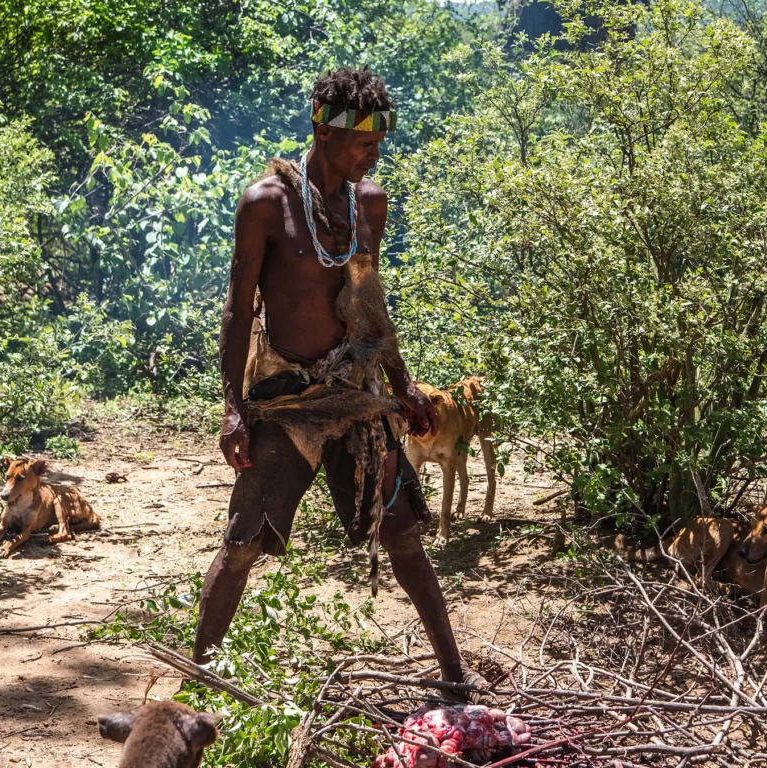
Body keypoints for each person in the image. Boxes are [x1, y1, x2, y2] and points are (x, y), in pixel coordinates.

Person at [193, 66, 479, 692]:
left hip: (354, 389)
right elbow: (238, 310)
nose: (373, 156)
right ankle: (195, 691)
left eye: (378, 144)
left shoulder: (368, 202)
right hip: (285, 395)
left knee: (402, 531)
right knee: (242, 543)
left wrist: (401, 386)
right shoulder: (265, 204)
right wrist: (234, 408)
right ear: (323, 131)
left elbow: (370, 306)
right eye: (363, 144)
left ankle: (455, 677)